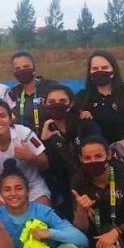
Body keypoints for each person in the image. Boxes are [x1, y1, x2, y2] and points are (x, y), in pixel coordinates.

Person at [75, 50, 124, 169]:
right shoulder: (81, 98)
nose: (100, 71)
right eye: (95, 68)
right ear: (90, 72)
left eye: (104, 67)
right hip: (93, 163)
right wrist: (79, 114)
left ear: (113, 70)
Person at [38, 83, 98, 219]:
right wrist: (45, 141)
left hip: (87, 185)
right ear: (45, 104)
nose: (57, 105)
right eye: (52, 102)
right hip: (59, 190)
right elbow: (44, 167)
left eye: (62, 101)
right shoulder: (42, 128)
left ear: (71, 104)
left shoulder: (84, 124)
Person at [8, 51, 57, 134]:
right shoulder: (13, 92)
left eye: (26, 66)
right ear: (13, 72)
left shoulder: (50, 87)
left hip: (50, 139)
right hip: (24, 141)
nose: (22, 71)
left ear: (34, 68)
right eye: (17, 68)